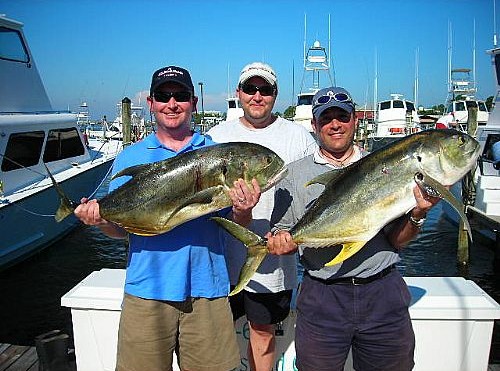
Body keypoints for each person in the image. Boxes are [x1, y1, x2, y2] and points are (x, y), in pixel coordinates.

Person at [74, 65, 252, 371]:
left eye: (180, 95)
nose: (172, 103)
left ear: (193, 103)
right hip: (147, 291)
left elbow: (235, 224)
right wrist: (100, 219)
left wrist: (244, 208)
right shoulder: (130, 157)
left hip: (206, 290)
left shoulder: (216, 153)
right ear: (152, 103)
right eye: (163, 95)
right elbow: (122, 230)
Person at [266, 86, 441, 371]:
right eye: (326, 118)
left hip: (382, 293)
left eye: (342, 117)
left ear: (355, 119)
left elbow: (397, 241)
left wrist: (419, 213)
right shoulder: (295, 175)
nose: (335, 124)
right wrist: (278, 241)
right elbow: (281, 230)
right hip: (323, 297)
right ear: (314, 125)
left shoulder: (386, 165)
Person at [207, 62, 318, 370]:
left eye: (265, 90)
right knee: (216, 337)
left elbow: (310, 198)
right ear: (238, 93)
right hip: (220, 262)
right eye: (250, 89)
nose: (257, 96)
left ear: (275, 95)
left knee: (262, 334)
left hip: (273, 264)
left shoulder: (298, 138)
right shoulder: (216, 136)